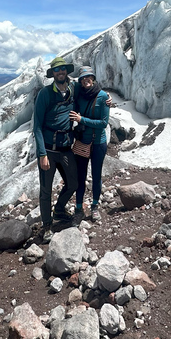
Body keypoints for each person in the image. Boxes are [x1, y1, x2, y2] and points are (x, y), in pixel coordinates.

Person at [33, 56, 78, 239]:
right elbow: (36, 126)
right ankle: (46, 225)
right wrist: (42, 154)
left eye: (63, 69)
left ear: (66, 71)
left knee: (73, 183)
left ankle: (59, 210)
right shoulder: (45, 93)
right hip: (49, 150)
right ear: (53, 74)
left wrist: (105, 98)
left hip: (66, 148)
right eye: (57, 70)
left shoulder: (72, 89)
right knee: (46, 190)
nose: (60, 72)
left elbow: (91, 91)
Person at [70, 66, 110, 222]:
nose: (86, 80)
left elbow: (103, 123)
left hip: (98, 143)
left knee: (96, 176)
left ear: (93, 79)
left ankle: (94, 206)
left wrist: (82, 120)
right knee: (80, 177)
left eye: (89, 77)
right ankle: (78, 208)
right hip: (82, 142)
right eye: (83, 78)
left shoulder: (102, 97)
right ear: (80, 81)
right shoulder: (80, 96)